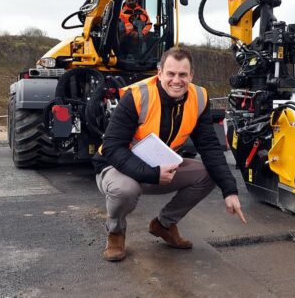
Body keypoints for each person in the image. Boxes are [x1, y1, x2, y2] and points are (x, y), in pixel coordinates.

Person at [94, 47, 246, 262]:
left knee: (210, 173)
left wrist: (230, 190)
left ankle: (163, 225)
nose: (177, 80)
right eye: (171, 74)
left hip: (159, 165)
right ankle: (116, 232)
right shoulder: (137, 96)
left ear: (191, 75)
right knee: (125, 189)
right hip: (117, 167)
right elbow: (112, 147)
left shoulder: (199, 97)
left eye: (183, 74)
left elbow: (210, 147)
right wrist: (153, 174)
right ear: (159, 73)